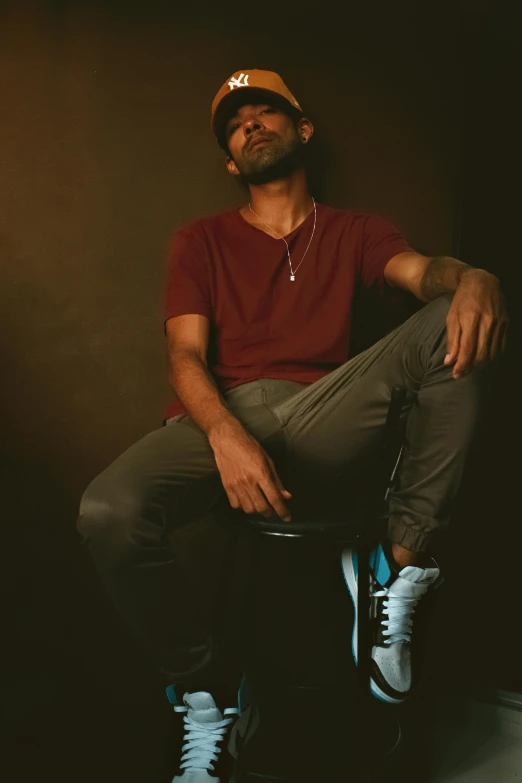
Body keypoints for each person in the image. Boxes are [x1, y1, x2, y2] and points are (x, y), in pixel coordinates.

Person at [77, 69, 508, 781]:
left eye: (264, 110)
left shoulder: (355, 231)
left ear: (301, 130)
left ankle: (396, 570)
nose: (249, 124)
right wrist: (225, 434)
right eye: (235, 122)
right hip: (220, 414)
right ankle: (209, 688)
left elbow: (423, 272)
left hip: (325, 412)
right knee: (107, 509)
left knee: (458, 318)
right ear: (230, 158)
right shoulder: (202, 239)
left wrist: (472, 277)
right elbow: (184, 354)